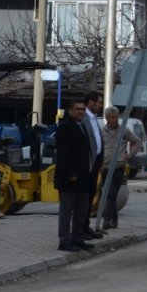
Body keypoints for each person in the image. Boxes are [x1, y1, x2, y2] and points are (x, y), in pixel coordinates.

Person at [54, 98, 94, 252]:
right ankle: (64, 240)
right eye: (77, 109)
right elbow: (63, 153)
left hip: (83, 176)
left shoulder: (82, 125)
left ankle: (77, 238)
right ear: (70, 110)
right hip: (69, 177)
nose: (81, 112)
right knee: (67, 210)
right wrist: (71, 173)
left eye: (83, 109)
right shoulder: (65, 127)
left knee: (81, 209)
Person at [98, 106, 141, 230]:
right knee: (106, 194)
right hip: (106, 167)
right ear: (107, 118)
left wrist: (129, 155)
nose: (115, 119)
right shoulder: (102, 132)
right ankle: (114, 220)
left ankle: (106, 220)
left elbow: (137, 142)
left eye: (117, 117)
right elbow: (98, 147)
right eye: (112, 117)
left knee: (111, 194)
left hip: (119, 166)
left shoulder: (124, 130)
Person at [80, 91, 105, 239]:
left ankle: (86, 226)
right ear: (91, 102)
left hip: (95, 164)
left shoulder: (94, 118)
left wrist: (100, 160)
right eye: (99, 103)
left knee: (90, 195)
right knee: (84, 197)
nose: (100, 106)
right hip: (87, 164)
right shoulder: (84, 118)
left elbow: (97, 141)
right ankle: (81, 228)